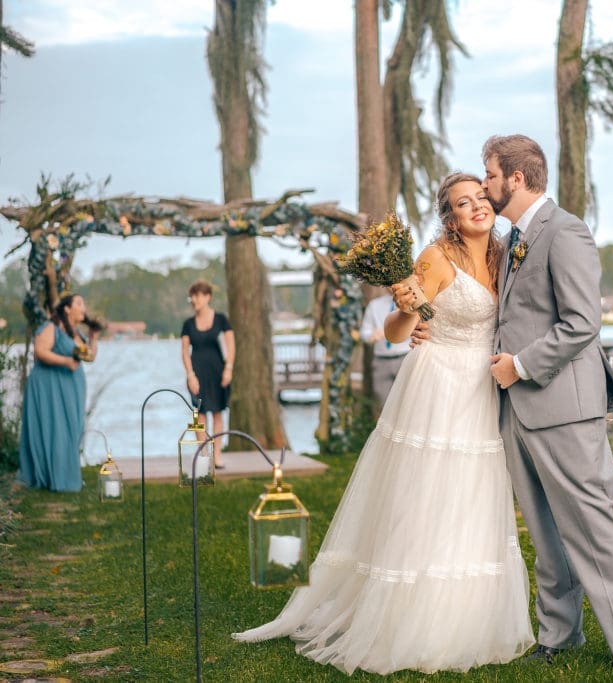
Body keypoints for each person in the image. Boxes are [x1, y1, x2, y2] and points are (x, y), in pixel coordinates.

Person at [233, 172, 533, 675]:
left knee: (473, 492)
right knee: (427, 494)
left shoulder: (507, 256)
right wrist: (406, 309)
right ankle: (409, 618)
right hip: (437, 383)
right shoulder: (436, 258)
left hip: (483, 387)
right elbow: (396, 332)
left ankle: (467, 616)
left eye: (481, 197)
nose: (477, 206)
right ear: (451, 218)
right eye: (464, 203)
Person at [482, 134, 613, 672]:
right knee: (543, 528)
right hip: (519, 409)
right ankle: (559, 635)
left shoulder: (567, 231)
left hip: (563, 406)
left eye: (489, 174)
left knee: (594, 525)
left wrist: (521, 365)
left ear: (515, 178)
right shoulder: (512, 238)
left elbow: (583, 322)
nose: (483, 183)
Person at [18, 293, 99, 492]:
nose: (83, 308)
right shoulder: (50, 328)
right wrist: (65, 362)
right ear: (67, 309)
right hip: (48, 385)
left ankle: (64, 474)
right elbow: (40, 351)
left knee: (73, 426)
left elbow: (89, 357)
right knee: (51, 425)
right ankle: (48, 477)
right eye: (79, 303)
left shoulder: (76, 333)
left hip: (70, 386)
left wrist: (93, 338)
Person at [180, 280, 234, 469]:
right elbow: (185, 352)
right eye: (193, 296)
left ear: (208, 297)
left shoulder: (221, 319)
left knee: (218, 414)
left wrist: (229, 368)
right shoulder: (188, 324)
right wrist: (190, 375)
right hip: (198, 374)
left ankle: (217, 455)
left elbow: (230, 345)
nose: (195, 300)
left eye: (199, 295)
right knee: (200, 414)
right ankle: (204, 455)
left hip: (218, 372)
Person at [359, 293, 412, 404]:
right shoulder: (374, 305)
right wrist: (371, 335)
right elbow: (364, 332)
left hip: (405, 358)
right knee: (385, 405)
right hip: (381, 361)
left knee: (407, 402)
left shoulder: (411, 303)